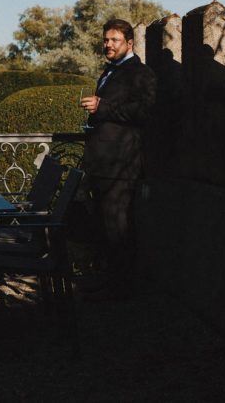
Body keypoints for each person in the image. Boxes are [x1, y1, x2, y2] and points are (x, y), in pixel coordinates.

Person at [79, 18, 156, 300]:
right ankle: (107, 283)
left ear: (130, 43)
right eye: (106, 40)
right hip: (101, 164)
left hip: (121, 166)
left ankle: (123, 291)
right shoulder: (109, 72)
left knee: (118, 230)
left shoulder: (141, 73)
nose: (108, 45)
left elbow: (145, 112)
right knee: (102, 228)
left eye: (114, 40)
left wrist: (103, 106)